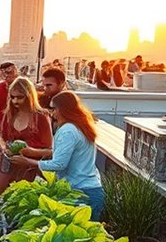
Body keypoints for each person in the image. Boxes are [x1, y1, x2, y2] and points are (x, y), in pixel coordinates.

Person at [11, 91, 104, 220]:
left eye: (54, 109)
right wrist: (32, 152)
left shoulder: (68, 130)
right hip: (92, 189)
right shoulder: (81, 126)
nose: (52, 113)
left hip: (81, 192)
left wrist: (27, 161)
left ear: (63, 109)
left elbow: (59, 164)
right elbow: (63, 153)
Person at [0, 78, 53, 195]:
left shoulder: (40, 117)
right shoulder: (9, 114)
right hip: (7, 163)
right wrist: (4, 147)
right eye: (12, 97)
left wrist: (29, 152)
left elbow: (49, 150)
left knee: (23, 201)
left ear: (29, 96)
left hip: (29, 166)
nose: (15, 101)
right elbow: (1, 137)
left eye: (20, 97)